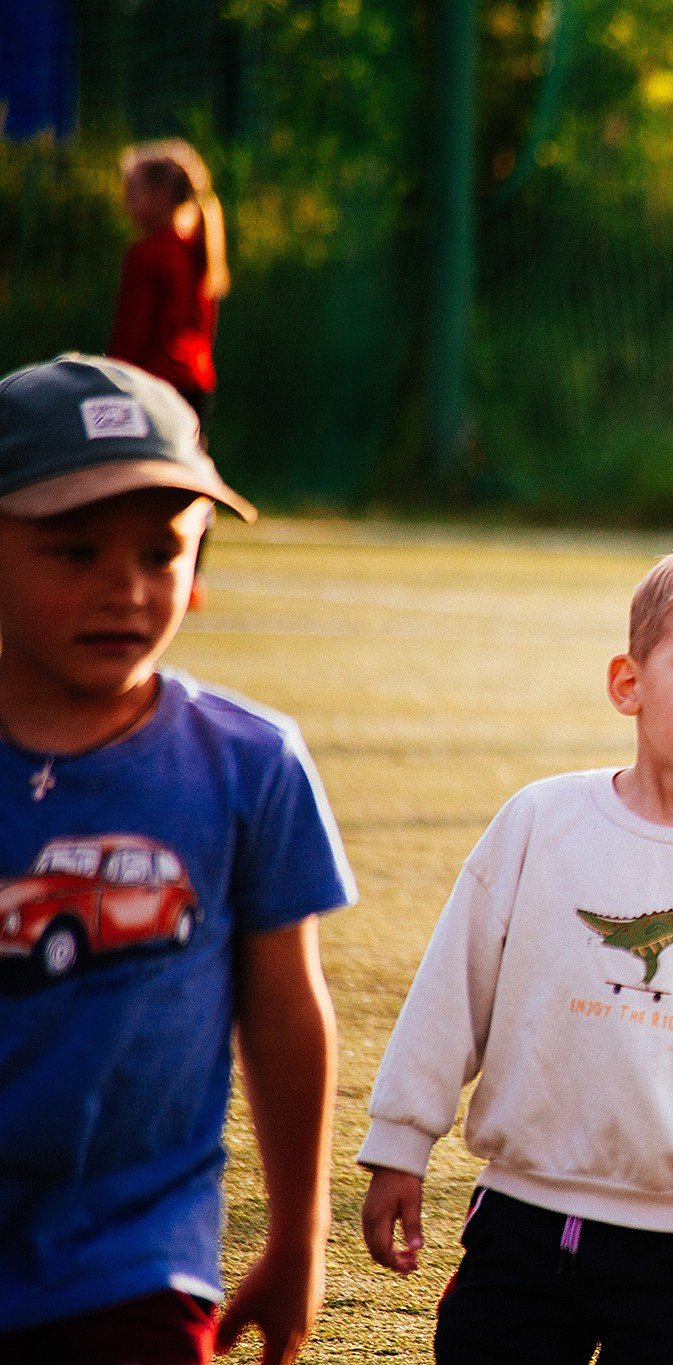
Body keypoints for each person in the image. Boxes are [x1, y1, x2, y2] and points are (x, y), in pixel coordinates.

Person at [357, 544, 673, 1365]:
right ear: (629, 682)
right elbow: (451, 989)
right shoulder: (541, 820)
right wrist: (402, 1137)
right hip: (518, 1219)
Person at [0, 354, 354, 1364]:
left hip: (138, 1260)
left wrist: (296, 1237)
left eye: (161, 553)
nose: (125, 589)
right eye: (73, 551)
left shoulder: (249, 763)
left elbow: (286, 1009)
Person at [110, 140, 229, 429]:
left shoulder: (147, 255)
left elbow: (131, 335)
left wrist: (114, 383)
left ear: (160, 195)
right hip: (197, 383)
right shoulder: (198, 249)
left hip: (152, 387)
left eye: (132, 193)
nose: (126, 203)